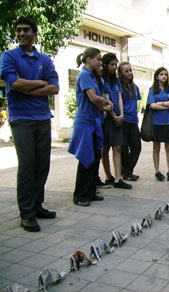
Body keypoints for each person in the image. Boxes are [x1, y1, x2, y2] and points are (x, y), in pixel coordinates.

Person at [0, 16, 59, 232]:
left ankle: (37, 206)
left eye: (26, 30)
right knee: (27, 166)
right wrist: (39, 82)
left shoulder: (45, 59)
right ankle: (26, 213)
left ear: (35, 33)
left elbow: (54, 88)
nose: (22, 34)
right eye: (18, 30)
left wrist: (27, 87)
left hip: (43, 118)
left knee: (42, 165)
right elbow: (13, 83)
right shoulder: (9, 56)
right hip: (21, 119)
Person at [68, 47, 113, 206]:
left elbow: (98, 101)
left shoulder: (93, 77)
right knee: (86, 159)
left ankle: (91, 191)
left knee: (94, 158)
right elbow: (94, 98)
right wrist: (105, 103)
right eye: (98, 59)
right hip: (85, 123)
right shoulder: (85, 75)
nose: (101, 63)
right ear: (88, 59)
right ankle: (80, 195)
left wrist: (106, 105)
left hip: (94, 122)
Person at [101, 53, 132, 189]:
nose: (114, 67)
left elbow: (119, 97)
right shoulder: (101, 80)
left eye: (115, 64)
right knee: (105, 148)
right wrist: (114, 116)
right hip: (107, 118)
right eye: (112, 64)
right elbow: (103, 99)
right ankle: (109, 177)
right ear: (106, 65)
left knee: (118, 147)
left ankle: (118, 178)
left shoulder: (116, 81)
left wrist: (121, 115)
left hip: (118, 117)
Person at [147, 67, 169, 181]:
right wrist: (166, 104)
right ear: (157, 77)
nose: (164, 76)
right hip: (156, 122)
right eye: (161, 74)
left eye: (165, 74)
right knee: (156, 148)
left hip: (168, 122)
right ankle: (157, 171)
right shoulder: (152, 90)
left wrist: (160, 103)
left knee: (168, 147)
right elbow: (152, 106)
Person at [118, 61, 142, 181]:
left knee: (137, 147)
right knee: (124, 148)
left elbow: (135, 103)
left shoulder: (135, 87)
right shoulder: (119, 86)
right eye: (126, 71)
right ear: (121, 73)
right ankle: (126, 173)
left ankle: (127, 171)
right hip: (124, 121)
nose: (129, 73)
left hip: (134, 121)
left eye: (130, 70)